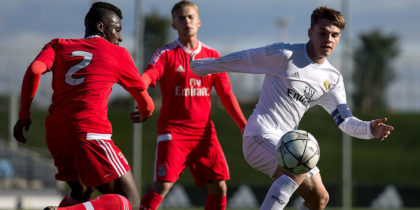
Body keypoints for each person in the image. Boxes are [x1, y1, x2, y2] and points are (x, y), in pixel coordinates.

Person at [191, 6, 394, 210]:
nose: (329, 39)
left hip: (287, 143)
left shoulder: (332, 79)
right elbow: (245, 59)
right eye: (323, 32)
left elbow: (345, 120)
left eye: (335, 35)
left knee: (319, 198)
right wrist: (202, 66)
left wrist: (369, 128)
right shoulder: (284, 55)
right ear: (310, 33)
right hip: (259, 135)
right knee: (297, 164)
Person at [13, 2, 154, 210]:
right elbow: (144, 98)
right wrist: (146, 111)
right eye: (117, 29)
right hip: (89, 133)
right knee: (129, 202)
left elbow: (34, 70)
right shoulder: (118, 54)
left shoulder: (58, 45)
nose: (120, 37)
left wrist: (24, 115)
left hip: (56, 135)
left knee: (83, 192)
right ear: (100, 27)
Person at [135, 1, 247, 210]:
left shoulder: (212, 56)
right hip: (173, 133)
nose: (186, 21)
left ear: (199, 21)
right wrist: (140, 96)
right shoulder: (166, 54)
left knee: (219, 187)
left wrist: (243, 125)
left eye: (190, 17)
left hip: (204, 134)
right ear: (173, 25)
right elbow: (148, 76)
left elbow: (226, 94)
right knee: (162, 187)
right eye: (181, 18)